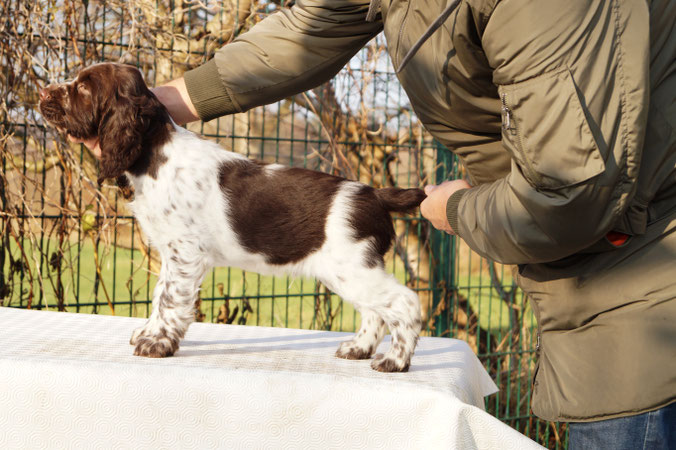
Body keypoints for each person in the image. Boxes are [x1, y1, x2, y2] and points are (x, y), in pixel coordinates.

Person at [72, 0, 676, 447]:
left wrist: (457, 208)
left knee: (626, 406)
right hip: (580, 272)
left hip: (638, 278)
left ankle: (397, 324)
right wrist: (167, 102)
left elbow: (571, 187)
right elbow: (305, 31)